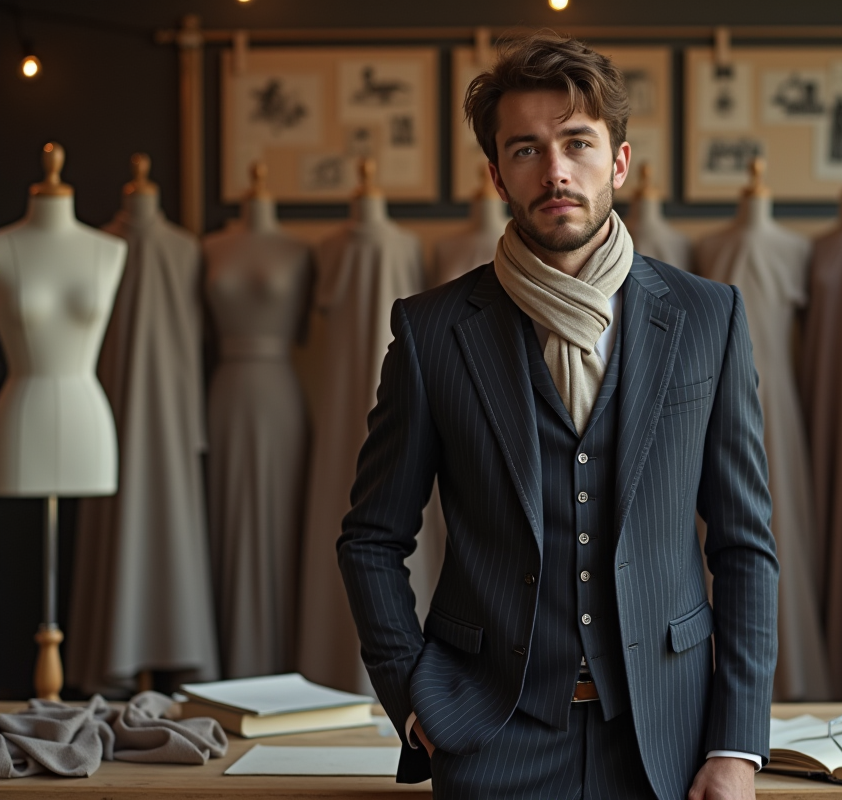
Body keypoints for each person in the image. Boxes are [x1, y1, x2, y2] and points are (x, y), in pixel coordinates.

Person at [338, 33, 778, 800]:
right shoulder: (432, 330)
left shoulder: (710, 317)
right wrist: (415, 701)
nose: (555, 171)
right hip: (487, 738)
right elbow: (372, 539)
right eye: (526, 151)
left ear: (619, 161)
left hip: (667, 743)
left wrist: (736, 745)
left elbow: (744, 548)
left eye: (577, 143)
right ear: (497, 175)